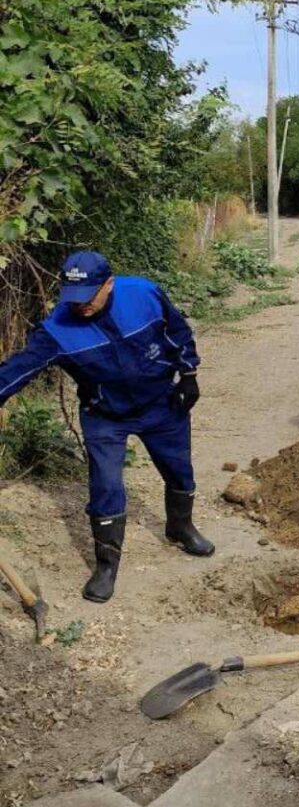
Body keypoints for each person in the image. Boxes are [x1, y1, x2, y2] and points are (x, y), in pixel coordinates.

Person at [0, 251, 213, 603]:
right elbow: (15, 371)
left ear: (109, 284)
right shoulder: (57, 330)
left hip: (160, 402)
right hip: (105, 415)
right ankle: (106, 565)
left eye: (88, 297)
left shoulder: (143, 294)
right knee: (106, 486)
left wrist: (188, 373)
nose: (80, 305)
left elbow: (177, 330)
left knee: (179, 469)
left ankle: (181, 526)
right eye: (73, 297)